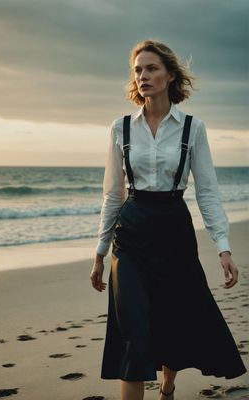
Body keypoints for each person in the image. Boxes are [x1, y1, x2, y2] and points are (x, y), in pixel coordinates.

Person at [89, 39, 247, 400]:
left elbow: (207, 191)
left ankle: (168, 386)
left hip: (174, 229)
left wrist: (223, 247)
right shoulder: (121, 128)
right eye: (138, 70)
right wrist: (100, 252)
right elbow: (113, 194)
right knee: (133, 330)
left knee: (171, 320)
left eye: (151, 68)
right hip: (131, 235)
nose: (143, 75)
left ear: (169, 75)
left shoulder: (193, 128)